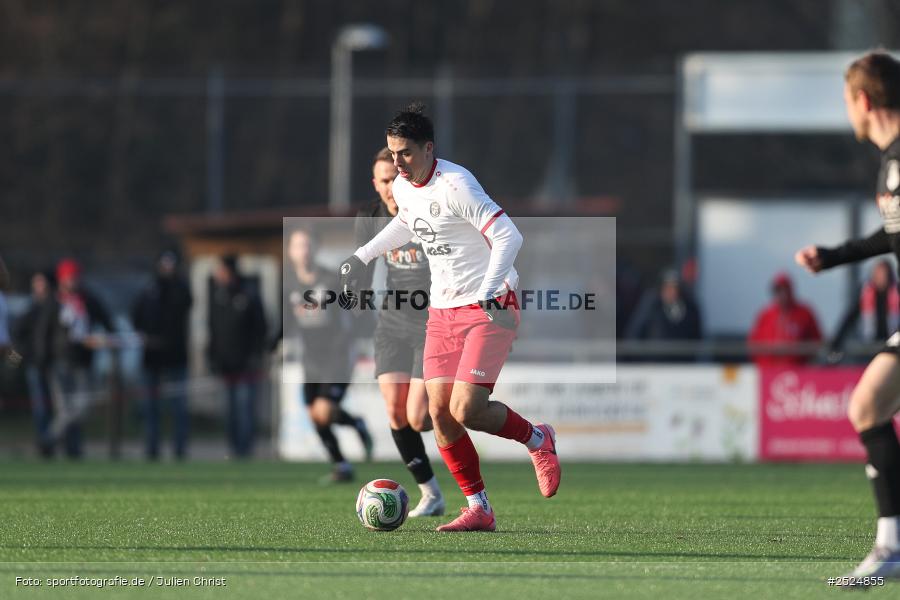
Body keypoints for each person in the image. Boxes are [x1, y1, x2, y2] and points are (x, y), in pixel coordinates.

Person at [340, 103, 560, 532]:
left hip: (488, 306)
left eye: (404, 153)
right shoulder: (404, 187)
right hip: (442, 311)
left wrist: (489, 288)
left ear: (428, 148)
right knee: (439, 414)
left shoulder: (456, 184)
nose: (398, 162)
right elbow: (408, 223)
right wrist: (363, 255)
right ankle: (479, 507)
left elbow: (509, 235)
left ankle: (539, 439)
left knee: (466, 408)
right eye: (391, 153)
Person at [794, 51, 900, 582]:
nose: (847, 112)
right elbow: (893, 233)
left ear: (863, 100)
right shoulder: (890, 161)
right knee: (869, 405)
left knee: (868, 404)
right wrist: (833, 257)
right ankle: (892, 546)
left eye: (846, 101)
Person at [354, 147, 444, 514]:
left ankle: (457, 411)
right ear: (375, 184)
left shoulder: (427, 212)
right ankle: (432, 494)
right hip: (392, 322)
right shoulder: (370, 217)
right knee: (396, 412)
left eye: (396, 178)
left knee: (419, 417)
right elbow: (362, 263)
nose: (391, 187)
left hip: (432, 322)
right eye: (385, 181)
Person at [283, 227, 372, 482]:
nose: (303, 251)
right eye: (298, 246)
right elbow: (287, 321)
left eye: (307, 245)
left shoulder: (332, 280)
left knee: (323, 410)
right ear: (291, 251)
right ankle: (342, 463)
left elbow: (355, 313)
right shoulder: (290, 283)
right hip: (311, 360)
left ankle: (352, 435)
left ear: (316, 248)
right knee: (315, 415)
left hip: (337, 356)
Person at [47, 258, 115, 458]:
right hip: (59, 362)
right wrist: (39, 360)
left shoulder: (89, 300)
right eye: (69, 278)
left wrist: (107, 338)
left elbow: (108, 323)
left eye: (75, 277)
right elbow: (44, 333)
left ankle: (49, 438)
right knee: (65, 410)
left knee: (82, 408)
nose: (73, 281)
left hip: (83, 362)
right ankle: (72, 451)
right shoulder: (54, 303)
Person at [131, 250, 193, 460]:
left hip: (175, 356)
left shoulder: (181, 289)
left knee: (178, 408)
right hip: (152, 357)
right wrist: (149, 337)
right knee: (150, 408)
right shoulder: (149, 290)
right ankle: (152, 448)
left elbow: (181, 307)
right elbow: (137, 315)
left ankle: (179, 449)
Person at [208, 255, 267, 459]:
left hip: (246, 367)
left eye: (221, 270)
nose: (218, 274)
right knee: (230, 412)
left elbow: (261, 328)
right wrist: (214, 358)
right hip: (227, 366)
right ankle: (233, 450)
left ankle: (245, 451)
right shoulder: (217, 296)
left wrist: (256, 356)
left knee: (245, 411)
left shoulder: (249, 295)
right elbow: (213, 330)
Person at [13, 270, 57, 457]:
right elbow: (18, 339)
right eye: (36, 283)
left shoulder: (56, 307)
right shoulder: (30, 310)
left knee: (60, 408)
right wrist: (13, 362)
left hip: (55, 365)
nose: (39, 287)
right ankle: (44, 445)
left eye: (42, 283)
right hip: (35, 365)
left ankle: (55, 444)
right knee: (41, 407)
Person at [828, 259, 898, 362]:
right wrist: (836, 342)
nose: (882, 277)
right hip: (868, 346)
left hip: (893, 345)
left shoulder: (897, 292)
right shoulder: (865, 294)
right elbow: (850, 317)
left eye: (885, 273)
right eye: (879, 273)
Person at [624, 268, 702, 361]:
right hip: (655, 366)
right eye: (668, 287)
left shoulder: (689, 308)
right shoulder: (651, 305)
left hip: (682, 366)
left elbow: (696, 336)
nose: (672, 292)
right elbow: (635, 333)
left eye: (675, 288)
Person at [747, 272, 822, 367]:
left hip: (797, 372)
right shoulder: (765, 315)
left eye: (785, 289)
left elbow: (817, 343)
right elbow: (753, 344)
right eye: (778, 290)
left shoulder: (804, 313)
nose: (782, 294)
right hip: (768, 371)